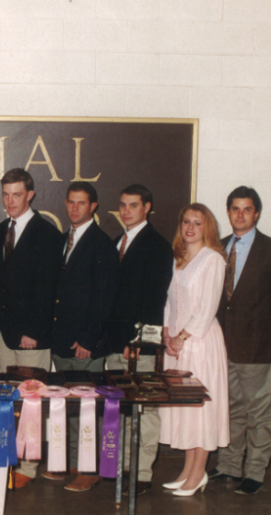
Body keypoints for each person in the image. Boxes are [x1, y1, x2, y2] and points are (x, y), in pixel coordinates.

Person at [210, 186, 271, 495]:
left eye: (247, 209)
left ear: (256, 213)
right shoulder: (217, 248)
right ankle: (229, 465)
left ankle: (255, 471)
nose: (240, 214)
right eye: (235, 208)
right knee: (231, 409)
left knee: (260, 412)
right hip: (223, 347)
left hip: (257, 349)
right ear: (228, 212)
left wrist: (266, 337)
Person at [43, 181, 117, 492]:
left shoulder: (102, 244)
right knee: (69, 405)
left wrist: (88, 338)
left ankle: (91, 468)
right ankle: (72, 462)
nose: (74, 208)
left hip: (85, 344)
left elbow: (105, 297)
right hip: (62, 341)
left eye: (81, 203)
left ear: (93, 207)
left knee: (90, 408)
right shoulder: (63, 240)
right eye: (71, 202)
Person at [105, 184, 173, 495]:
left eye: (133, 205)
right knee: (120, 409)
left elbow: (153, 301)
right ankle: (121, 466)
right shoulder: (118, 241)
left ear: (147, 208)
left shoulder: (157, 245)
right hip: (115, 343)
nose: (126, 211)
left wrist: (134, 343)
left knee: (145, 410)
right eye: (122, 205)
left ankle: (142, 473)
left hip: (140, 346)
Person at [159, 203, 229, 497]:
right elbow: (169, 301)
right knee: (186, 410)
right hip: (176, 344)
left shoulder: (213, 259)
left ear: (207, 228)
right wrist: (166, 332)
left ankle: (199, 473)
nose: (190, 227)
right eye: (186, 221)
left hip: (199, 344)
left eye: (197, 223)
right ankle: (188, 471)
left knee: (200, 410)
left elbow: (207, 307)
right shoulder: (178, 258)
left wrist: (182, 337)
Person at [0, 167, 61, 372]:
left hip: (30, 336)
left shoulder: (47, 233)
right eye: (5, 195)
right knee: (7, 395)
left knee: (31, 398)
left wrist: (34, 331)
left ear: (30, 195)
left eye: (17, 195)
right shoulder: (0, 229)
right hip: (2, 334)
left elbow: (48, 289)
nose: (10, 201)